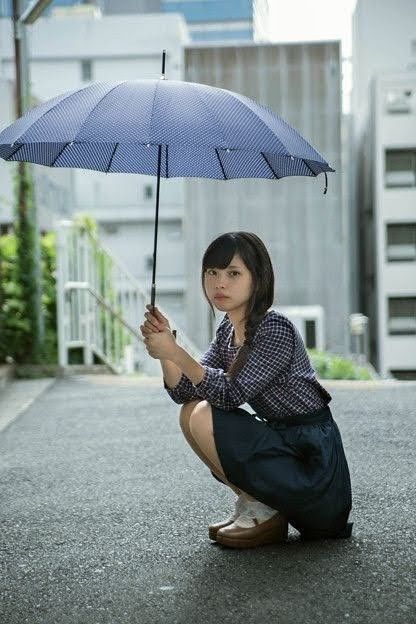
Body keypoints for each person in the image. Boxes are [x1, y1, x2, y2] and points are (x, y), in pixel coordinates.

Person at [139, 231, 353, 549]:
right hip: (284, 450)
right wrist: (166, 349)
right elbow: (187, 391)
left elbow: (229, 394)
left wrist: (174, 351)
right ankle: (255, 503)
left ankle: (264, 511)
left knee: (202, 415)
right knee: (190, 412)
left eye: (233, 273)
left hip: (314, 470)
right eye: (212, 272)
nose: (219, 283)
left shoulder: (274, 328)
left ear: (258, 279)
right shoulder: (228, 328)